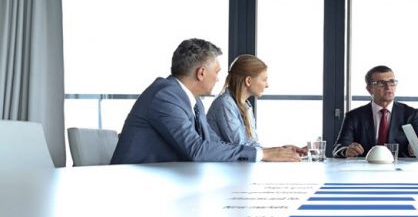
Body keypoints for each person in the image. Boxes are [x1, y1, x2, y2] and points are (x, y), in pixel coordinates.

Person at [111, 39, 299, 164]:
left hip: (162, 180)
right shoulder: (166, 96)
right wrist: (263, 154)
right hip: (135, 186)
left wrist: (271, 152)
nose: (219, 79)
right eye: (216, 72)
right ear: (201, 73)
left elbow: (213, 142)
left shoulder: (193, 101)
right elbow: (197, 150)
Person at [206, 54, 306, 155]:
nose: (267, 85)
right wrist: (276, 152)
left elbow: (251, 146)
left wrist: (282, 149)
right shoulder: (225, 104)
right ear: (248, 81)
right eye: (264, 79)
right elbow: (241, 147)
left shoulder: (245, 105)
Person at [332, 65, 418, 158]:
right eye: (381, 83)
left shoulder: (412, 114)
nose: (388, 87)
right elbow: (338, 148)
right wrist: (346, 151)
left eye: (392, 82)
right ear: (369, 89)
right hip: (364, 169)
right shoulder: (354, 116)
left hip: (400, 170)